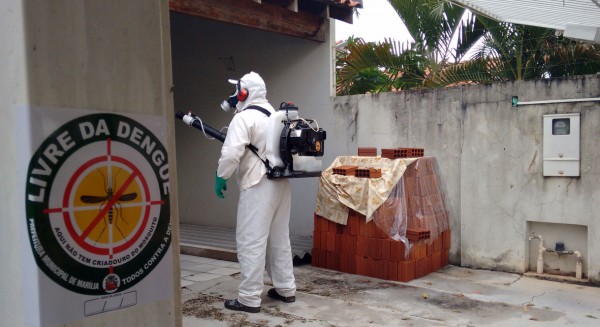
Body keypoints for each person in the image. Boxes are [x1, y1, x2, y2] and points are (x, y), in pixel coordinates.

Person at [215, 71, 296, 313]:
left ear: (244, 92)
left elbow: (231, 153)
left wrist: (221, 176)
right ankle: (286, 288)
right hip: (281, 184)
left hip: (258, 184)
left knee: (251, 241)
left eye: (236, 90)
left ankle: (249, 298)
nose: (233, 96)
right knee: (279, 239)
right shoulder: (277, 115)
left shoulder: (244, 118)